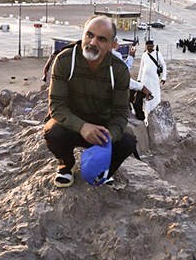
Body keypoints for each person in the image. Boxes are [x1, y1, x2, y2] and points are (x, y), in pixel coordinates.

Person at [43, 15, 137, 188]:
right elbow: (56, 105)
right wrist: (82, 127)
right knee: (52, 131)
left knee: (128, 143)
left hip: (102, 131)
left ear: (112, 45)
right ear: (83, 34)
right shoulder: (65, 60)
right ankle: (67, 165)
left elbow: (121, 114)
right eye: (89, 35)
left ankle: (103, 169)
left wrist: (109, 136)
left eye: (102, 39)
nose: (93, 42)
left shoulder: (119, 70)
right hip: (71, 126)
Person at [137, 39, 168, 123]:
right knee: (145, 99)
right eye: (148, 46)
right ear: (145, 46)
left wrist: (164, 77)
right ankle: (146, 115)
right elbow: (141, 68)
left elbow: (164, 65)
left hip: (154, 80)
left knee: (155, 97)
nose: (149, 48)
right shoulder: (144, 55)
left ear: (153, 46)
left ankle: (155, 113)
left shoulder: (158, 54)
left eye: (151, 46)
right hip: (145, 80)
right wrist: (139, 79)